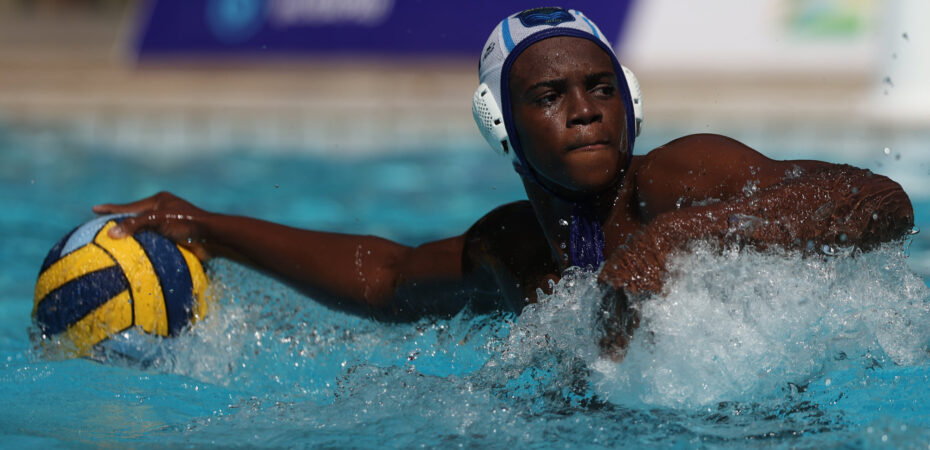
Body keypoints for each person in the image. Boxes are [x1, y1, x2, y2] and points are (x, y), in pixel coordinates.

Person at [93, 8, 914, 357]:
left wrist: (681, 236)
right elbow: (383, 277)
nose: (586, 112)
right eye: (550, 96)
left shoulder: (679, 178)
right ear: (501, 126)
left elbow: (882, 203)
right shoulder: (514, 251)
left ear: (631, 101)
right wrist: (205, 226)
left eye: (600, 89)